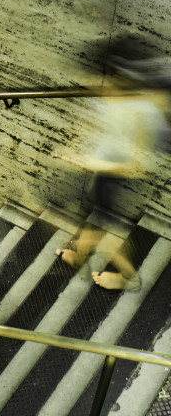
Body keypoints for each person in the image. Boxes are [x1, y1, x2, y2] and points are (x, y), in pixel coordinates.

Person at [56, 42, 170, 290]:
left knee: (107, 230)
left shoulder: (142, 111)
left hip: (116, 174)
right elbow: (100, 125)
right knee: (93, 215)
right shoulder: (111, 99)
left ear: (122, 79)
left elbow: (138, 165)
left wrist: (90, 162)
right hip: (103, 168)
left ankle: (130, 279)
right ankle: (79, 254)